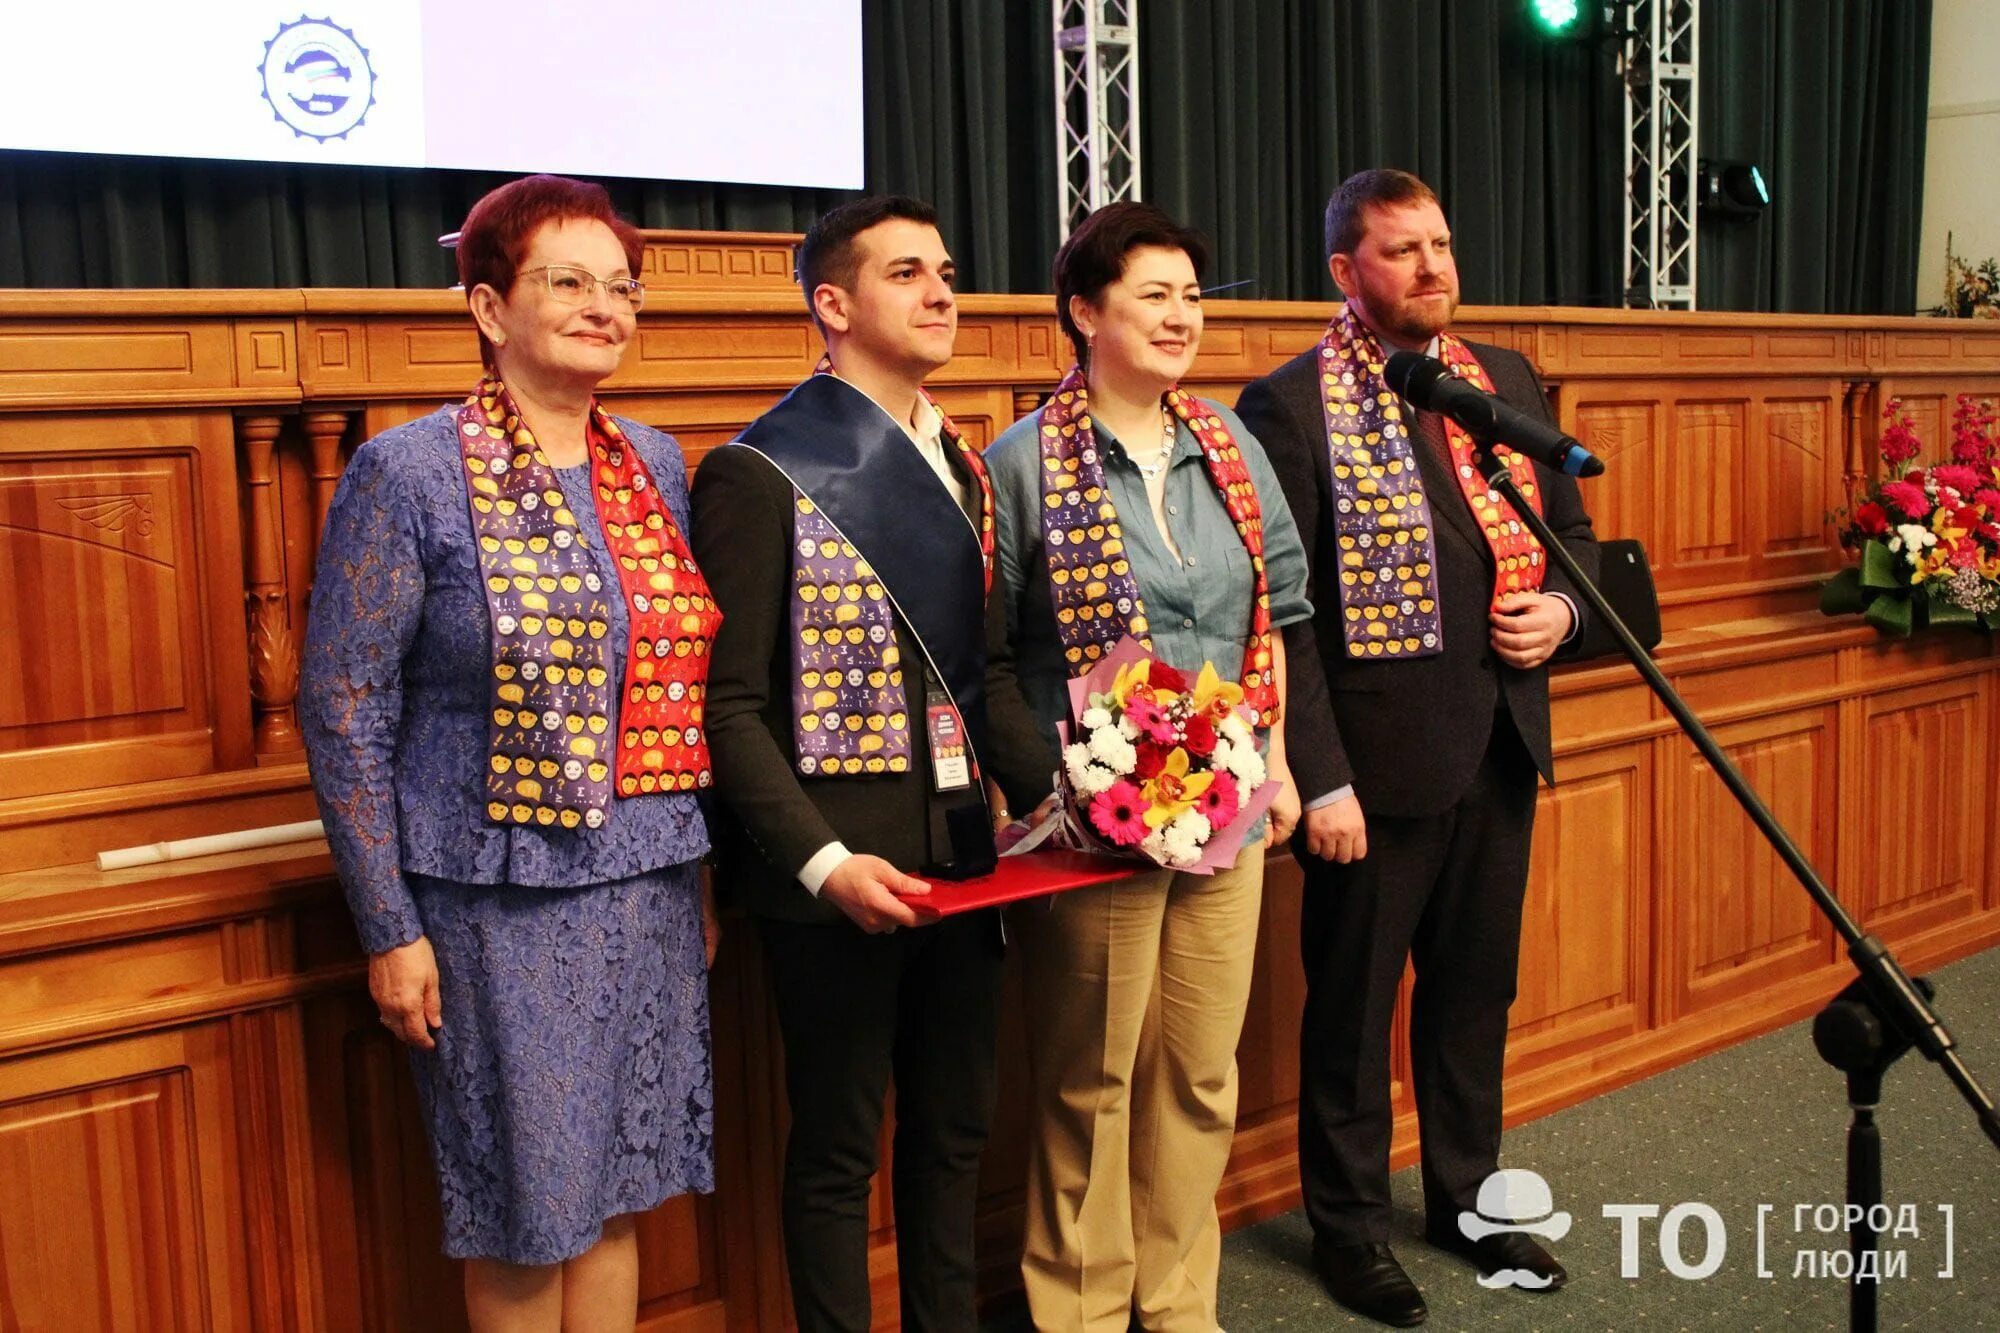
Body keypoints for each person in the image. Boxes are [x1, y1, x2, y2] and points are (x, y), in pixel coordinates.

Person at [300, 174, 720, 1330]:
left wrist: (700, 879)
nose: (604, 308)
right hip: (493, 898)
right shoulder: (410, 471)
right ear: (487, 308)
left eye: (620, 287)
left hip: (645, 881)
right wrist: (388, 925)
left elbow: (669, 679)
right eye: (568, 283)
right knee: (527, 1214)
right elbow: (343, 704)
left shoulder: (655, 461)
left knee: (619, 1197)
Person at [1234, 168, 1599, 1327]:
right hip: (1373, 771)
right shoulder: (1289, 405)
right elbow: (1278, 614)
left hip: (1497, 740)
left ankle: (1467, 1202)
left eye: (1440, 243)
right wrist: (1319, 772)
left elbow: (1570, 540)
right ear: (1344, 273)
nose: (1432, 267)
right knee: (1349, 1013)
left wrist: (1564, 616)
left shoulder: (1503, 381)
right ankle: (1346, 1229)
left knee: (1470, 997)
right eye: (1402, 251)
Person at [690, 195, 1053, 1333]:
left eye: (945, 270)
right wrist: (822, 862)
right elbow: (731, 709)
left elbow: (987, 672)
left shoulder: (965, 467)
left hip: (962, 852)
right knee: (839, 1151)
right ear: (833, 305)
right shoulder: (758, 471)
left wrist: (1072, 800)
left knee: (952, 1135)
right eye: (907, 273)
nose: (941, 291)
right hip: (833, 880)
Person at [984, 201, 1316, 1332]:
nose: (1181, 317)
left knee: (1197, 1075)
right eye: (1153, 296)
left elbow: (1272, 617)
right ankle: (1075, 1312)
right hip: (1088, 821)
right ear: (1084, 312)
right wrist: (1044, 792)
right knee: (1092, 1083)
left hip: (1225, 810)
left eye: (1190, 296)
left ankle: (1179, 1308)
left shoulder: (1229, 443)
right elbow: (991, 649)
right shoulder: (1019, 463)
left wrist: (1273, 767)